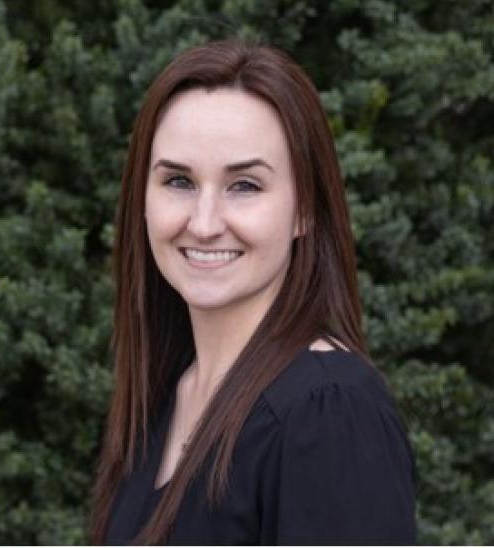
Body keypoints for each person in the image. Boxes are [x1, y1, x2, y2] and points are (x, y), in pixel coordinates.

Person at [89, 37, 417, 545]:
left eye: (244, 186)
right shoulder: (164, 396)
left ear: (305, 208)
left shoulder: (328, 412)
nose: (203, 223)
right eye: (178, 180)